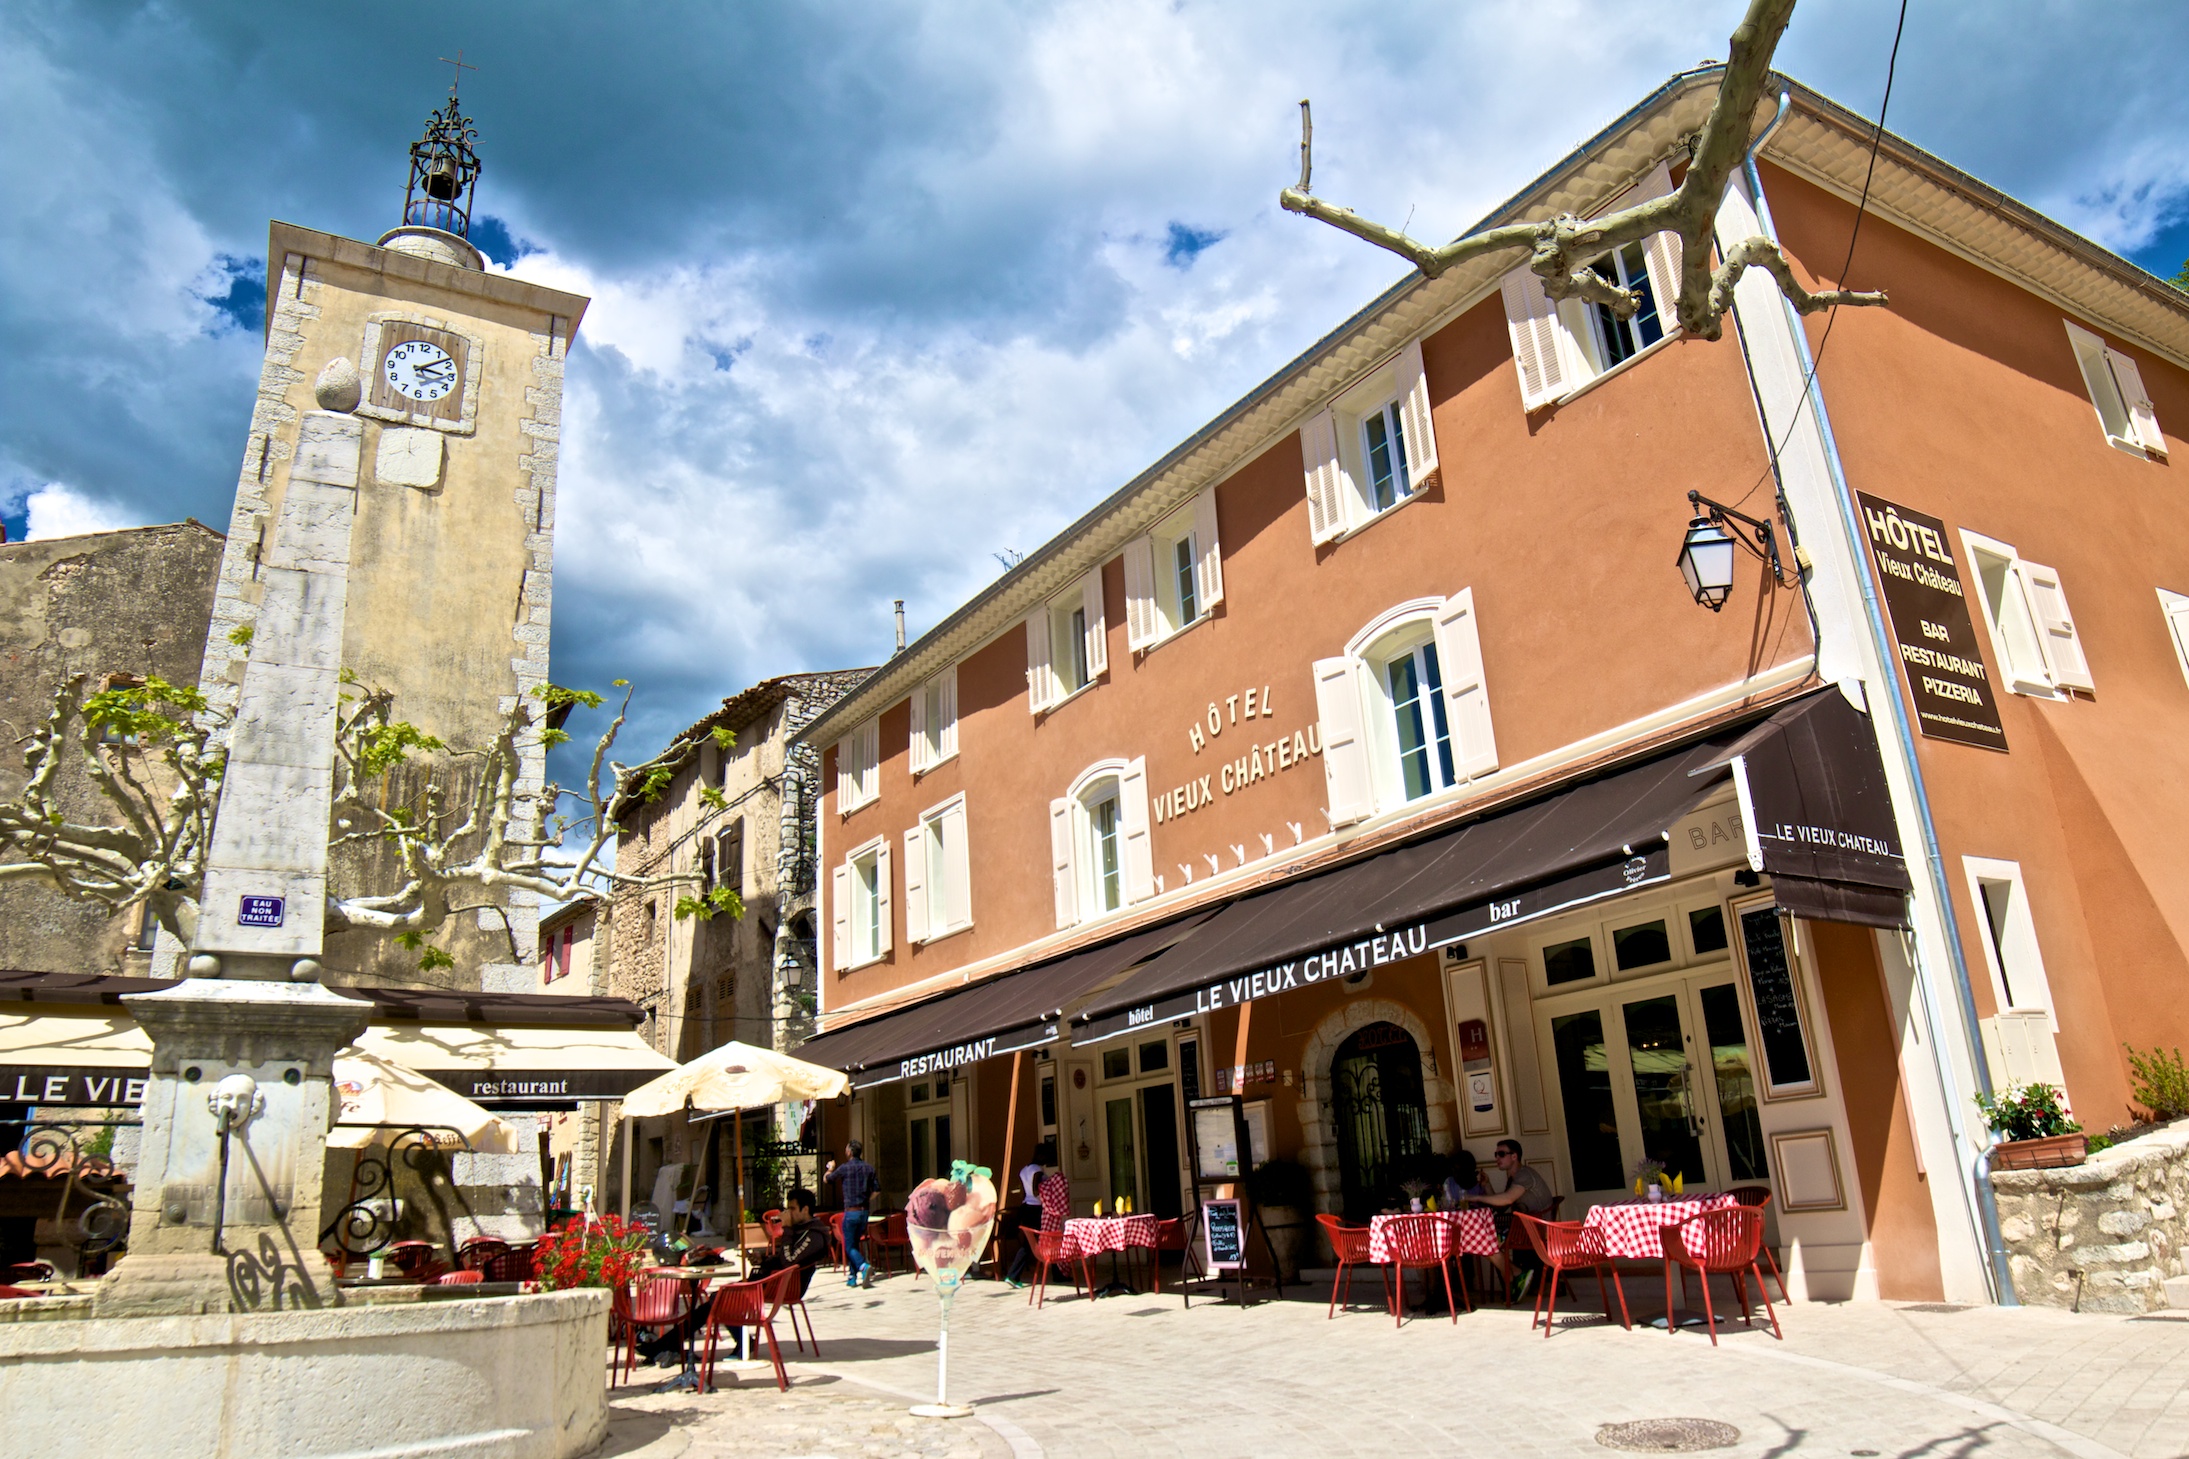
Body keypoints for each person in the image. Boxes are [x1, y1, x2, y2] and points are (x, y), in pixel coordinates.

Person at [638, 1187, 831, 1366]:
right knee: (715, 1300)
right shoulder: (800, 1231)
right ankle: (668, 1344)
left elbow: (790, 1262)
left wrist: (786, 1229)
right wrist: (763, 1259)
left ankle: (741, 1342)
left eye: (792, 1209)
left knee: (721, 1298)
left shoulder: (814, 1235)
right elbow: (783, 1259)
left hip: (782, 1286)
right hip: (771, 1280)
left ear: (805, 1209)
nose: (788, 1213)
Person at [1460, 1139, 1556, 1296]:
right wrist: (1487, 1186)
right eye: (1496, 1154)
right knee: (1481, 1240)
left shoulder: (1524, 1175)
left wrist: (1476, 1198)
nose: (1497, 1158)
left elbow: (1507, 1199)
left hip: (1536, 1228)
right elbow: (1501, 1205)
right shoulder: (1514, 1178)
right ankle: (1515, 1275)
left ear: (1514, 1156)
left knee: (1482, 1241)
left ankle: (1513, 1279)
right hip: (1525, 1226)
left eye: (1502, 1154)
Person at [1002, 1140, 1059, 1287]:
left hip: (1026, 1207)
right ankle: (1056, 1274)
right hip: (1036, 1209)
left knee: (1029, 1243)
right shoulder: (1037, 1171)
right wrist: (1047, 1200)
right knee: (1049, 1239)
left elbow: (1024, 1191)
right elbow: (1036, 1190)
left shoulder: (1024, 1170)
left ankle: (1014, 1274)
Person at [823, 1139, 878, 1288]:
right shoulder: (869, 1168)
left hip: (851, 1212)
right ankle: (852, 1277)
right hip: (864, 1211)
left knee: (848, 1246)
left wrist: (830, 1168)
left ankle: (863, 1266)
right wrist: (867, 1200)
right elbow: (877, 1190)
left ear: (849, 1152)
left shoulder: (844, 1168)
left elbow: (827, 1180)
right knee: (854, 1244)